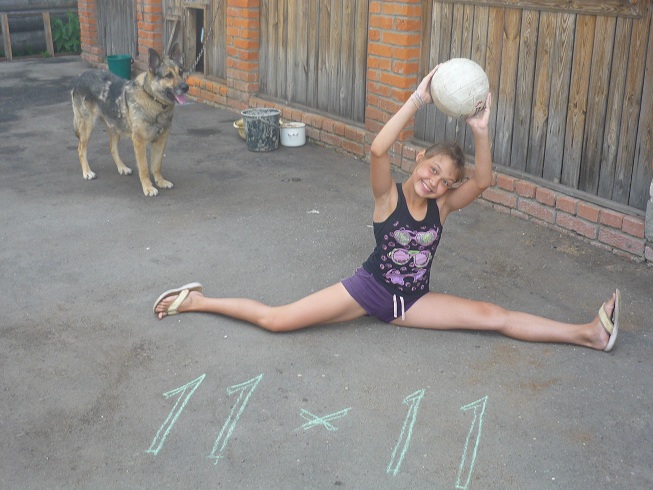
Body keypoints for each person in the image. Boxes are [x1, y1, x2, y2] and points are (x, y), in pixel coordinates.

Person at [153, 67, 620, 352]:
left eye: (445, 180)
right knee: (279, 320)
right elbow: (378, 149)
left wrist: (481, 129)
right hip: (369, 290)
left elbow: (482, 180)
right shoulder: (387, 197)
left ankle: (588, 334)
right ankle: (197, 300)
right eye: (432, 169)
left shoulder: (443, 207)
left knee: (492, 315)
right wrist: (417, 99)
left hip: (413, 302)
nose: (435, 182)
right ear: (419, 160)